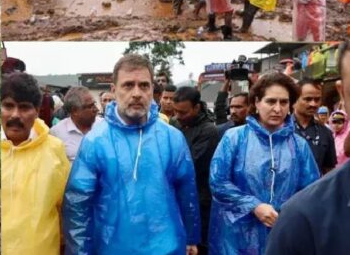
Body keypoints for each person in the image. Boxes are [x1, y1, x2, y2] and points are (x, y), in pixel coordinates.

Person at [62, 54, 201, 255]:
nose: (137, 93)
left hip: (167, 247)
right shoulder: (95, 141)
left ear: (153, 89)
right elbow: (77, 204)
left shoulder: (173, 138)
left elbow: (187, 191)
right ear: (114, 90)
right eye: (128, 85)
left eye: (144, 85)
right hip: (112, 248)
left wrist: (191, 238)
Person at [265, 42, 350, 255]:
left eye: (316, 99)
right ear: (343, 95)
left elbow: (328, 166)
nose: (313, 104)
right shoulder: (305, 219)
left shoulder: (323, 133)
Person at [209, 72, 320, 255]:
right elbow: (218, 182)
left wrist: (289, 216)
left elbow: (311, 191)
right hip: (236, 237)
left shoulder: (299, 146)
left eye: (283, 102)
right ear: (257, 102)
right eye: (271, 101)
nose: (277, 109)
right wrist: (254, 206)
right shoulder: (235, 138)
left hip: (282, 235)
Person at [1, 72, 69, 255]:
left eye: (24, 108)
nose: (15, 115)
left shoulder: (55, 150)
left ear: (37, 111)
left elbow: (67, 208)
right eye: (8, 106)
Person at [173, 86, 220, 255]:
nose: (178, 116)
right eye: (175, 112)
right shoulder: (176, 125)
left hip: (200, 202)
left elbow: (189, 165)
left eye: (183, 112)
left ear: (197, 107)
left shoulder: (209, 131)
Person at [292, 78, 337, 175]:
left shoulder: (326, 133)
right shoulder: (281, 129)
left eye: (317, 99)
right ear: (295, 99)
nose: (313, 104)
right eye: (308, 99)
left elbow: (329, 170)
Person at [50, 86, 100, 161]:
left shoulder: (104, 126)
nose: (96, 109)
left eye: (94, 104)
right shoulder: (56, 133)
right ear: (75, 111)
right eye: (90, 106)